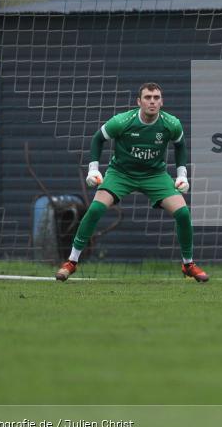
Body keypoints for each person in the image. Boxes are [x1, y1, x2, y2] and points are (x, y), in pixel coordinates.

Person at [56, 83, 207, 282]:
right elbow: (97, 139)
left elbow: (180, 145)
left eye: (156, 97)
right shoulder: (121, 122)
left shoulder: (171, 124)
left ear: (161, 101)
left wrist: (181, 175)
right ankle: (71, 262)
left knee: (183, 213)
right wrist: (93, 169)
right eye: (147, 97)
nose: (152, 101)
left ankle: (188, 264)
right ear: (139, 102)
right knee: (95, 210)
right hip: (121, 173)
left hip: (155, 175)